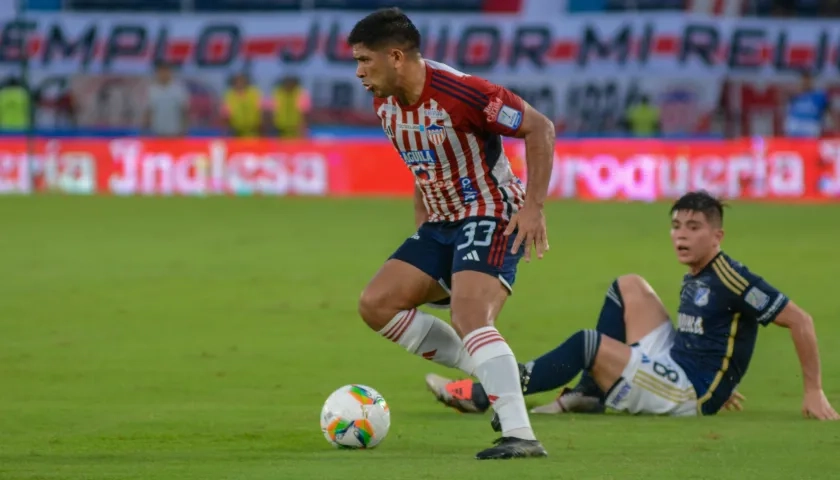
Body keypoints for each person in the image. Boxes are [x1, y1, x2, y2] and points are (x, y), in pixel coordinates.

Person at [426, 191, 839, 425]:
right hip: (681, 361)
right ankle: (590, 391)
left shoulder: (731, 278)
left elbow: (799, 320)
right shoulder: (700, 270)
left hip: (687, 392)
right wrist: (725, 377)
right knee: (629, 286)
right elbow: (718, 332)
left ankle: (485, 395)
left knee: (586, 344)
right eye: (676, 226)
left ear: (717, 235)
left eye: (694, 228)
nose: (681, 236)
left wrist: (812, 390)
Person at [349, 8, 555, 460]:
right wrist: (424, 232)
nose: (359, 72)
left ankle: (521, 435)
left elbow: (541, 127)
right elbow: (423, 168)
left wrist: (533, 206)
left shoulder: (466, 93)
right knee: (376, 304)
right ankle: (497, 374)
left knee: (469, 317)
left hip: (491, 211)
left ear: (396, 56)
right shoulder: (384, 103)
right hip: (441, 223)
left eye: (365, 61)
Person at [145, 63, 189, 137]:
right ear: (157, 73)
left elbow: (184, 111)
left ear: (170, 72)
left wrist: (185, 129)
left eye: (165, 71)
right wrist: (145, 130)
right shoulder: (152, 90)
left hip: (175, 132)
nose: (163, 74)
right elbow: (149, 110)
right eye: (161, 72)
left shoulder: (178, 89)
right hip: (157, 133)